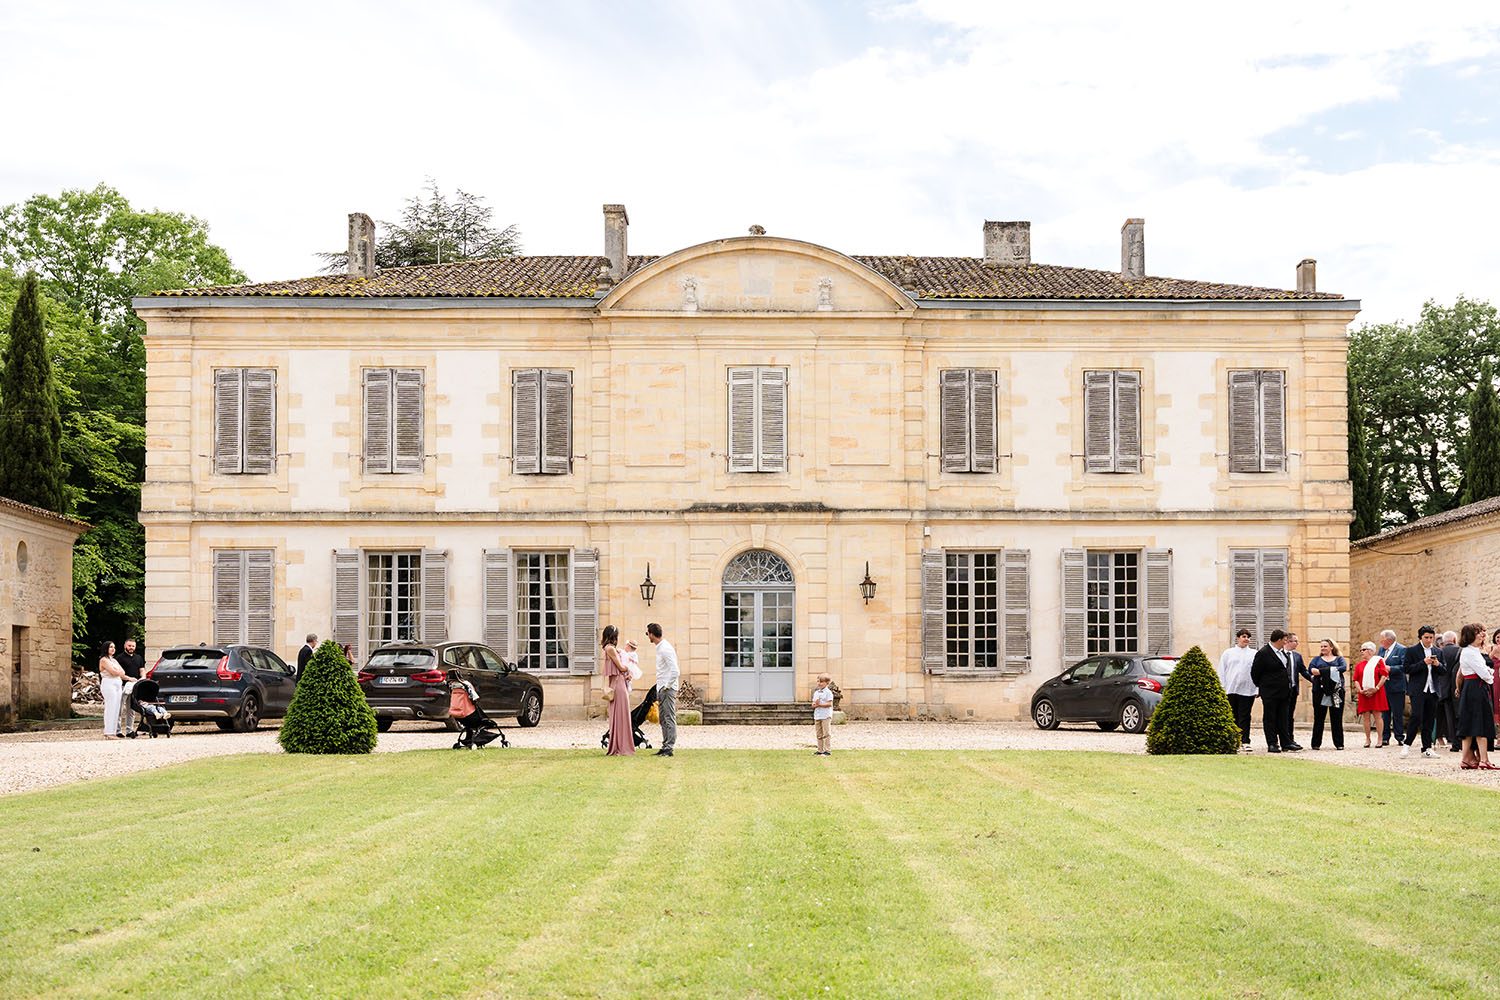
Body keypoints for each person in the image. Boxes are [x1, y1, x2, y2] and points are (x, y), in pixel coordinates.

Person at [1455, 623, 1496, 770]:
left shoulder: (1472, 651)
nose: (1482, 634)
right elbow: (1485, 673)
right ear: (1470, 635)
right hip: (1475, 688)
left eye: (1482, 631)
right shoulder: (1470, 652)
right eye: (1478, 632)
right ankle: (1483, 760)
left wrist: (1488, 673)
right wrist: (1490, 674)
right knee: (1480, 721)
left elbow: (1484, 670)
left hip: (1474, 687)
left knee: (1474, 721)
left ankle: (1472, 758)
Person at [1251, 629, 1298, 752]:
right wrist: (1263, 687)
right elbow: (1255, 673)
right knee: (1270, 718)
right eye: (1285, 639)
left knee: (1284, 718)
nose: (1286, 642)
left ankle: (1286, 742)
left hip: (1284, 692)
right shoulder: (1263, 653)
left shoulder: (1282, 653)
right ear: (1278, 640)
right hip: (1270, 693)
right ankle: (1272, 743)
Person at [1401, 626, 1441, 758]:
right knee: (1416, 716)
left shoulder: (1438, 651)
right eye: (1426, 637)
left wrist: (1438, 665)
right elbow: (1407, 669)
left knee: (1429, 719)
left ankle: (1427, 748)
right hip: (1418, 689)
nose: (1429, 640)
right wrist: (1423, 663)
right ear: (1420, 638)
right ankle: (1407, 745)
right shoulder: (1412, 650)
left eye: (1431, 637)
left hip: (1433, 689)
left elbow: (1444, 670)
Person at [1217, 629, 1257, 751]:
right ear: (1238, 638)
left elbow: (1257, 672)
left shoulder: (1254, 653)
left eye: (1248, 637)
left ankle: (1245, 740)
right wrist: (1222, 687)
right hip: (1231, 689)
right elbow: (1222, 670)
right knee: (1233, 715)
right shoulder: (1228, 653)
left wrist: (1257, 688)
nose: (1246, 639)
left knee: (1245, 716)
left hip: (1248, 689)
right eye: (1244, 636)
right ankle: (1234, 741)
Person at [1305, 639, 1346, 750]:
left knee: (1336, 717)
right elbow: (1311, 670)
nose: (1323, 648)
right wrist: (1331, 671)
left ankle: (1339, 744)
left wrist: (1322, 671)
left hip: (1336, 692)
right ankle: (1316, 743)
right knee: (1319, 717)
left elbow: (1343, 668)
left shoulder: (1339, 659)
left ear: (1331, 647)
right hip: (1319, 691)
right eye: (1321, 646)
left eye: (1325, 646)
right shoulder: (1316, 659)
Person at [601, 625, 634, 757]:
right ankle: (621, 746)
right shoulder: (610, 649)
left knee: (618, 714)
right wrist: (629, 669)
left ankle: (619, 744)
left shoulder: (609, 649)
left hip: (617, 682)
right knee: (622, 714)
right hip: (618, 684)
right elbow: (620, 667)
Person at [648, 623, 679, 758]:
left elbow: (675, 671)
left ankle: (669, 747)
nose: (648, 636)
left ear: (652, 634)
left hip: (667, 689)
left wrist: (666, 686)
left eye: (647, 633)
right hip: (662, 688)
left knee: (668, 717)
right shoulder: (661, 648)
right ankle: (665, 745)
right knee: (663, 719)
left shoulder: (665, 649)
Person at [1353, 642, 1388, 748]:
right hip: (1364, 693)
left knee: (1378, 716)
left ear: (1370, 651)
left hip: (1376, 692)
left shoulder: (1378, 662)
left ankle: (1380, 739)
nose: (1361, 652)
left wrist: (1376, 688)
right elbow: (1356, 679)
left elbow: (1384, 676)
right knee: (1366, 717)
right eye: (1361, 650)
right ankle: (1367, 739)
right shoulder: (1359, 665)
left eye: (1363, 650)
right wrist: (1360, 690)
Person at [1376, 629, 1407, 748]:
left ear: (1388, 640)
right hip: (1384, 685)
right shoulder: (1381, 650)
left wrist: (1390, 668)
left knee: (1397, 713)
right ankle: (1385, 737)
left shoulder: (1402, 649)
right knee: (1385, 713)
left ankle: (1399, 737)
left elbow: (1404, 666)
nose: (1380, 642)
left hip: (1397, 686)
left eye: (1382, 639)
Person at [1436, 631, 1462, 752]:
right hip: (1458, 687)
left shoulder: (1439, 652)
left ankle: (1454, 742)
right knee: (1460, 714)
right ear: (1454, 639)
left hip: (1443, 688)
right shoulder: (1460, 650)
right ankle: (1463, 741)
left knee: (1449, 717)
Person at [115, 637, 146, 737]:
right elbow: (118, 673)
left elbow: (142, 669)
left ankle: (129, 730)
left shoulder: (139, 658)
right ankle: (118, 730)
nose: (131, 647)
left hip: (134, 686)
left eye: (133, 646)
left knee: (131, 709)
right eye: (129, 645)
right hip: (122, 685)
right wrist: (128, 678)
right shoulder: (119, 658)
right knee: (119, 709)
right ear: (125, 646)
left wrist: (143, 677)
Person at [98, 642, 126, 739]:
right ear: (106, 648)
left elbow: (123, 672)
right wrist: (117, 672)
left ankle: (113, 731)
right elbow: (113, 672)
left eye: (114, 647)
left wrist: (118, 672)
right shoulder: (104, 660)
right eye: (110, 647)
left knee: (116, 708)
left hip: (117, 684)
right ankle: (108, 732)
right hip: (109, 684)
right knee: (110, 707)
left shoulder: (114, 660)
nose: (113, 649)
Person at [1285, 633, 1306, 744]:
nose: (1297, 643)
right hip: (1281, 691)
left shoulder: (1297, 656)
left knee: (1290, 716)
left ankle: (1290, 739)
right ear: (1288, 641)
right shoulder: (1280, 654)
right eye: (1295, 641)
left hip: (1293, 690)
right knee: (1281, 715)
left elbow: (1303, 671)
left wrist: (1314, 679)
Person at [812, 674, 835, 756]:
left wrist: (819, 705)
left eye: (821, 682)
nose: (819, 683)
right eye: (818, 681)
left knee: (826, 733)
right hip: (817, 715)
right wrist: (815, 705)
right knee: (819, 734)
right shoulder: (816, 693)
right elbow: (813, 704)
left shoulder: (828, 692)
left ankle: (827, 750)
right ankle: (820, 750)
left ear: (827, 683)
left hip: (825, 715)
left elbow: (829, 704)